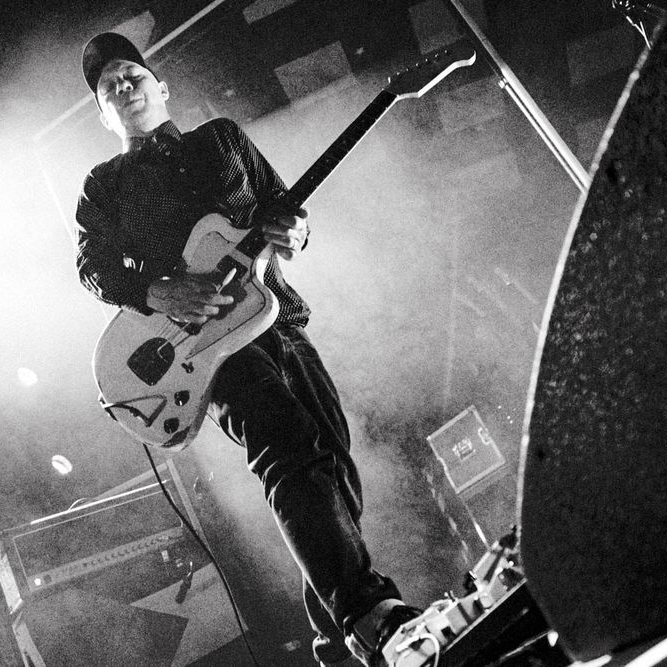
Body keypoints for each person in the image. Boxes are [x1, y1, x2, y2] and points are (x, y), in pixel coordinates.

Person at [74, 32, 423, 667]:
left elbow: (282, 207)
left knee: (334, 462)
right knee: (287, 445)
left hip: (276, 316)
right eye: (109, 88)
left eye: (131, 75)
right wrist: (160, 290)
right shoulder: (105, 185)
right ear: (103, 114)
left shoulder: (223, 139)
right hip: (209, 346)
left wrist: (297, 229)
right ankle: (368, 612)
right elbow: (92, 266)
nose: (124, 88)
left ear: (161, 86)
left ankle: (334, 635)